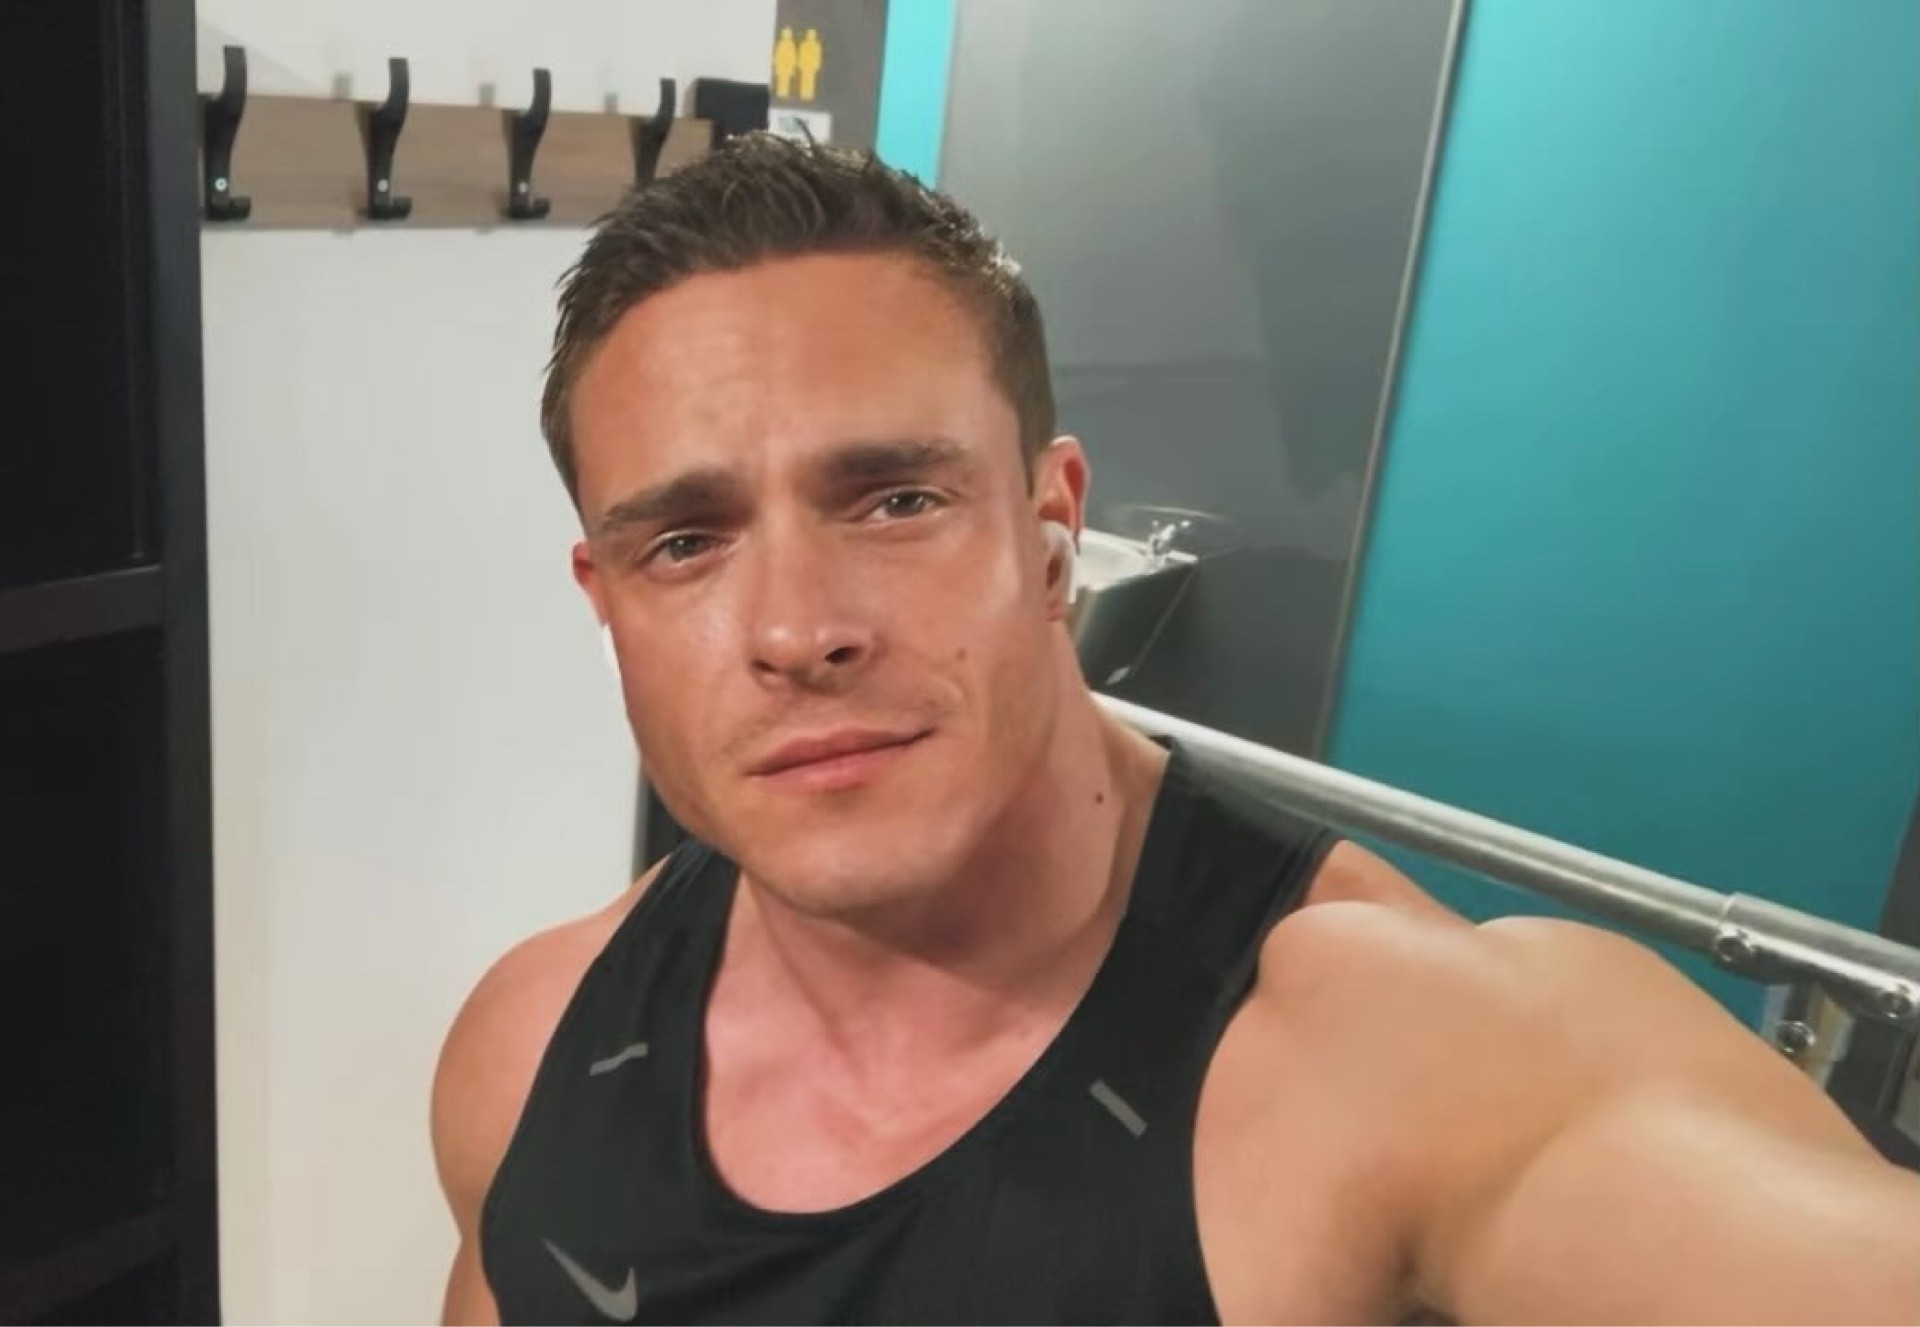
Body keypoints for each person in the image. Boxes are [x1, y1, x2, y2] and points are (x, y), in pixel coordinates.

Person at [431, 134, 1918, 1325]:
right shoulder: (530, 1043)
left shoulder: (1396, 1066)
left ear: (1051, 527)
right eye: (686, 543)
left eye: (896, 500)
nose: (798, 630)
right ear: (606, 601)